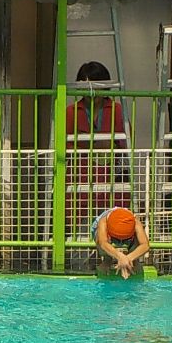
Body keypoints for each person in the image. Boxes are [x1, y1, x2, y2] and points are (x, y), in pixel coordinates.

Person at [66, 61, 129, 233]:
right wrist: (93, 145)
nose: (91, 92)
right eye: (86, 87)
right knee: (79, 228)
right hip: (80, 177)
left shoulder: (117, 110)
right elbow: (65, 146)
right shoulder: (71, 112)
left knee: (115, 225)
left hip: (111, 176)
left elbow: (125, 143)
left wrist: (106, 144)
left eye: (95, 86)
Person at [92, 206, 149, 280]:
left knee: (138, 239)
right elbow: (103, 243)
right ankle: (107, 260)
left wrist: (129, 258)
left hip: (129, 236)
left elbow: (145, 245)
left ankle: (134, 261)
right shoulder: (103, 222)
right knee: (99, 239)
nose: (121, 242)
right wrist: (120, 256)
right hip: (107, 233)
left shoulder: (136, 223)